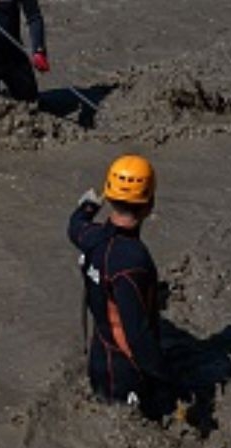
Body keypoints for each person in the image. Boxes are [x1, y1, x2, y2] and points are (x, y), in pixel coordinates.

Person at [68, 154, 179, 418]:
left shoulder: (92, 238)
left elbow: (75, 225)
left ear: (109, 196)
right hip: (126, 375)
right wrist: (168, 384)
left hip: (98, 361)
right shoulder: (133, 261)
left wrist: (89, 205)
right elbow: (137, 335)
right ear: (149, 204)